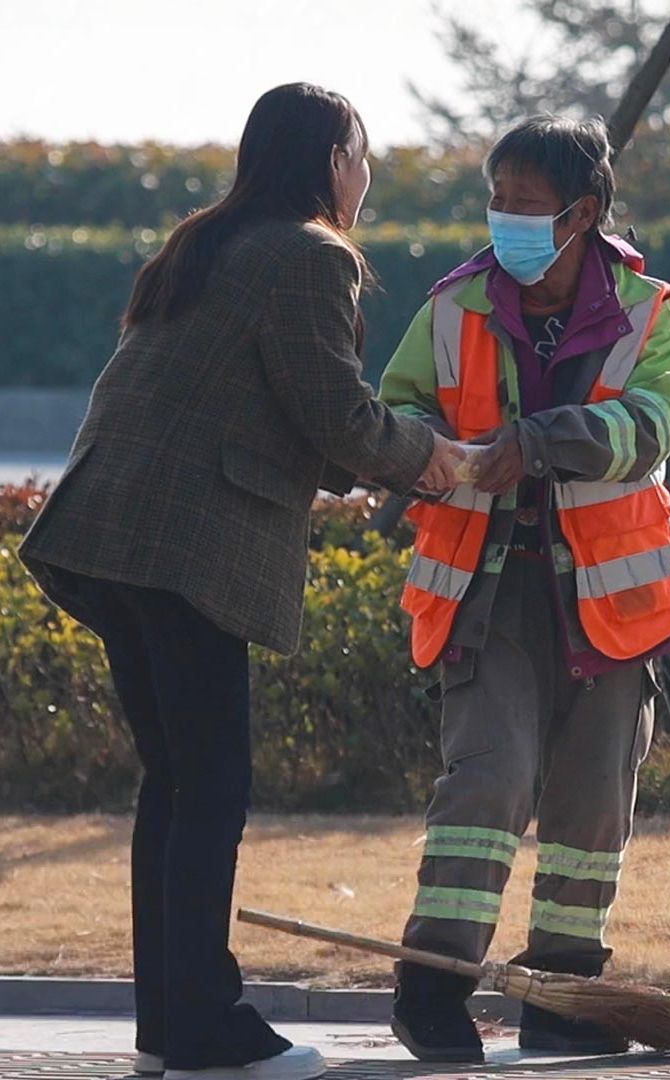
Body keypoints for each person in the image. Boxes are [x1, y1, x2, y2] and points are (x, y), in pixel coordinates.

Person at [20, 83, 464, 1080]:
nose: (368, 174)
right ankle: (210, 1028)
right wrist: (431, 455)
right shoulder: (311, 256)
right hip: (184, 549)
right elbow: (337, 416)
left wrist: (373, 460)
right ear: (322, 161)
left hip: (110, 532)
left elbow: (271, 407)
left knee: (174, 782)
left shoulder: (206, 241)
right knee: (211, 784)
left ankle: (168, 1024)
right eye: (360, 153)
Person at [378, 114, 670, 1060]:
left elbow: (649, 429)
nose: (504, 221)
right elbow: (396, 410)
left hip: (614, 604)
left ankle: (566, 998)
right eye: (497, 202)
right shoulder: (451, 307)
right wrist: (420, 458)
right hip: (489, 595)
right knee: (488, 783)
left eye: (524, 206)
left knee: (591, 808)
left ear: (582, 212)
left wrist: (538, 442)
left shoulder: (654, 311)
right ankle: (432, 990)